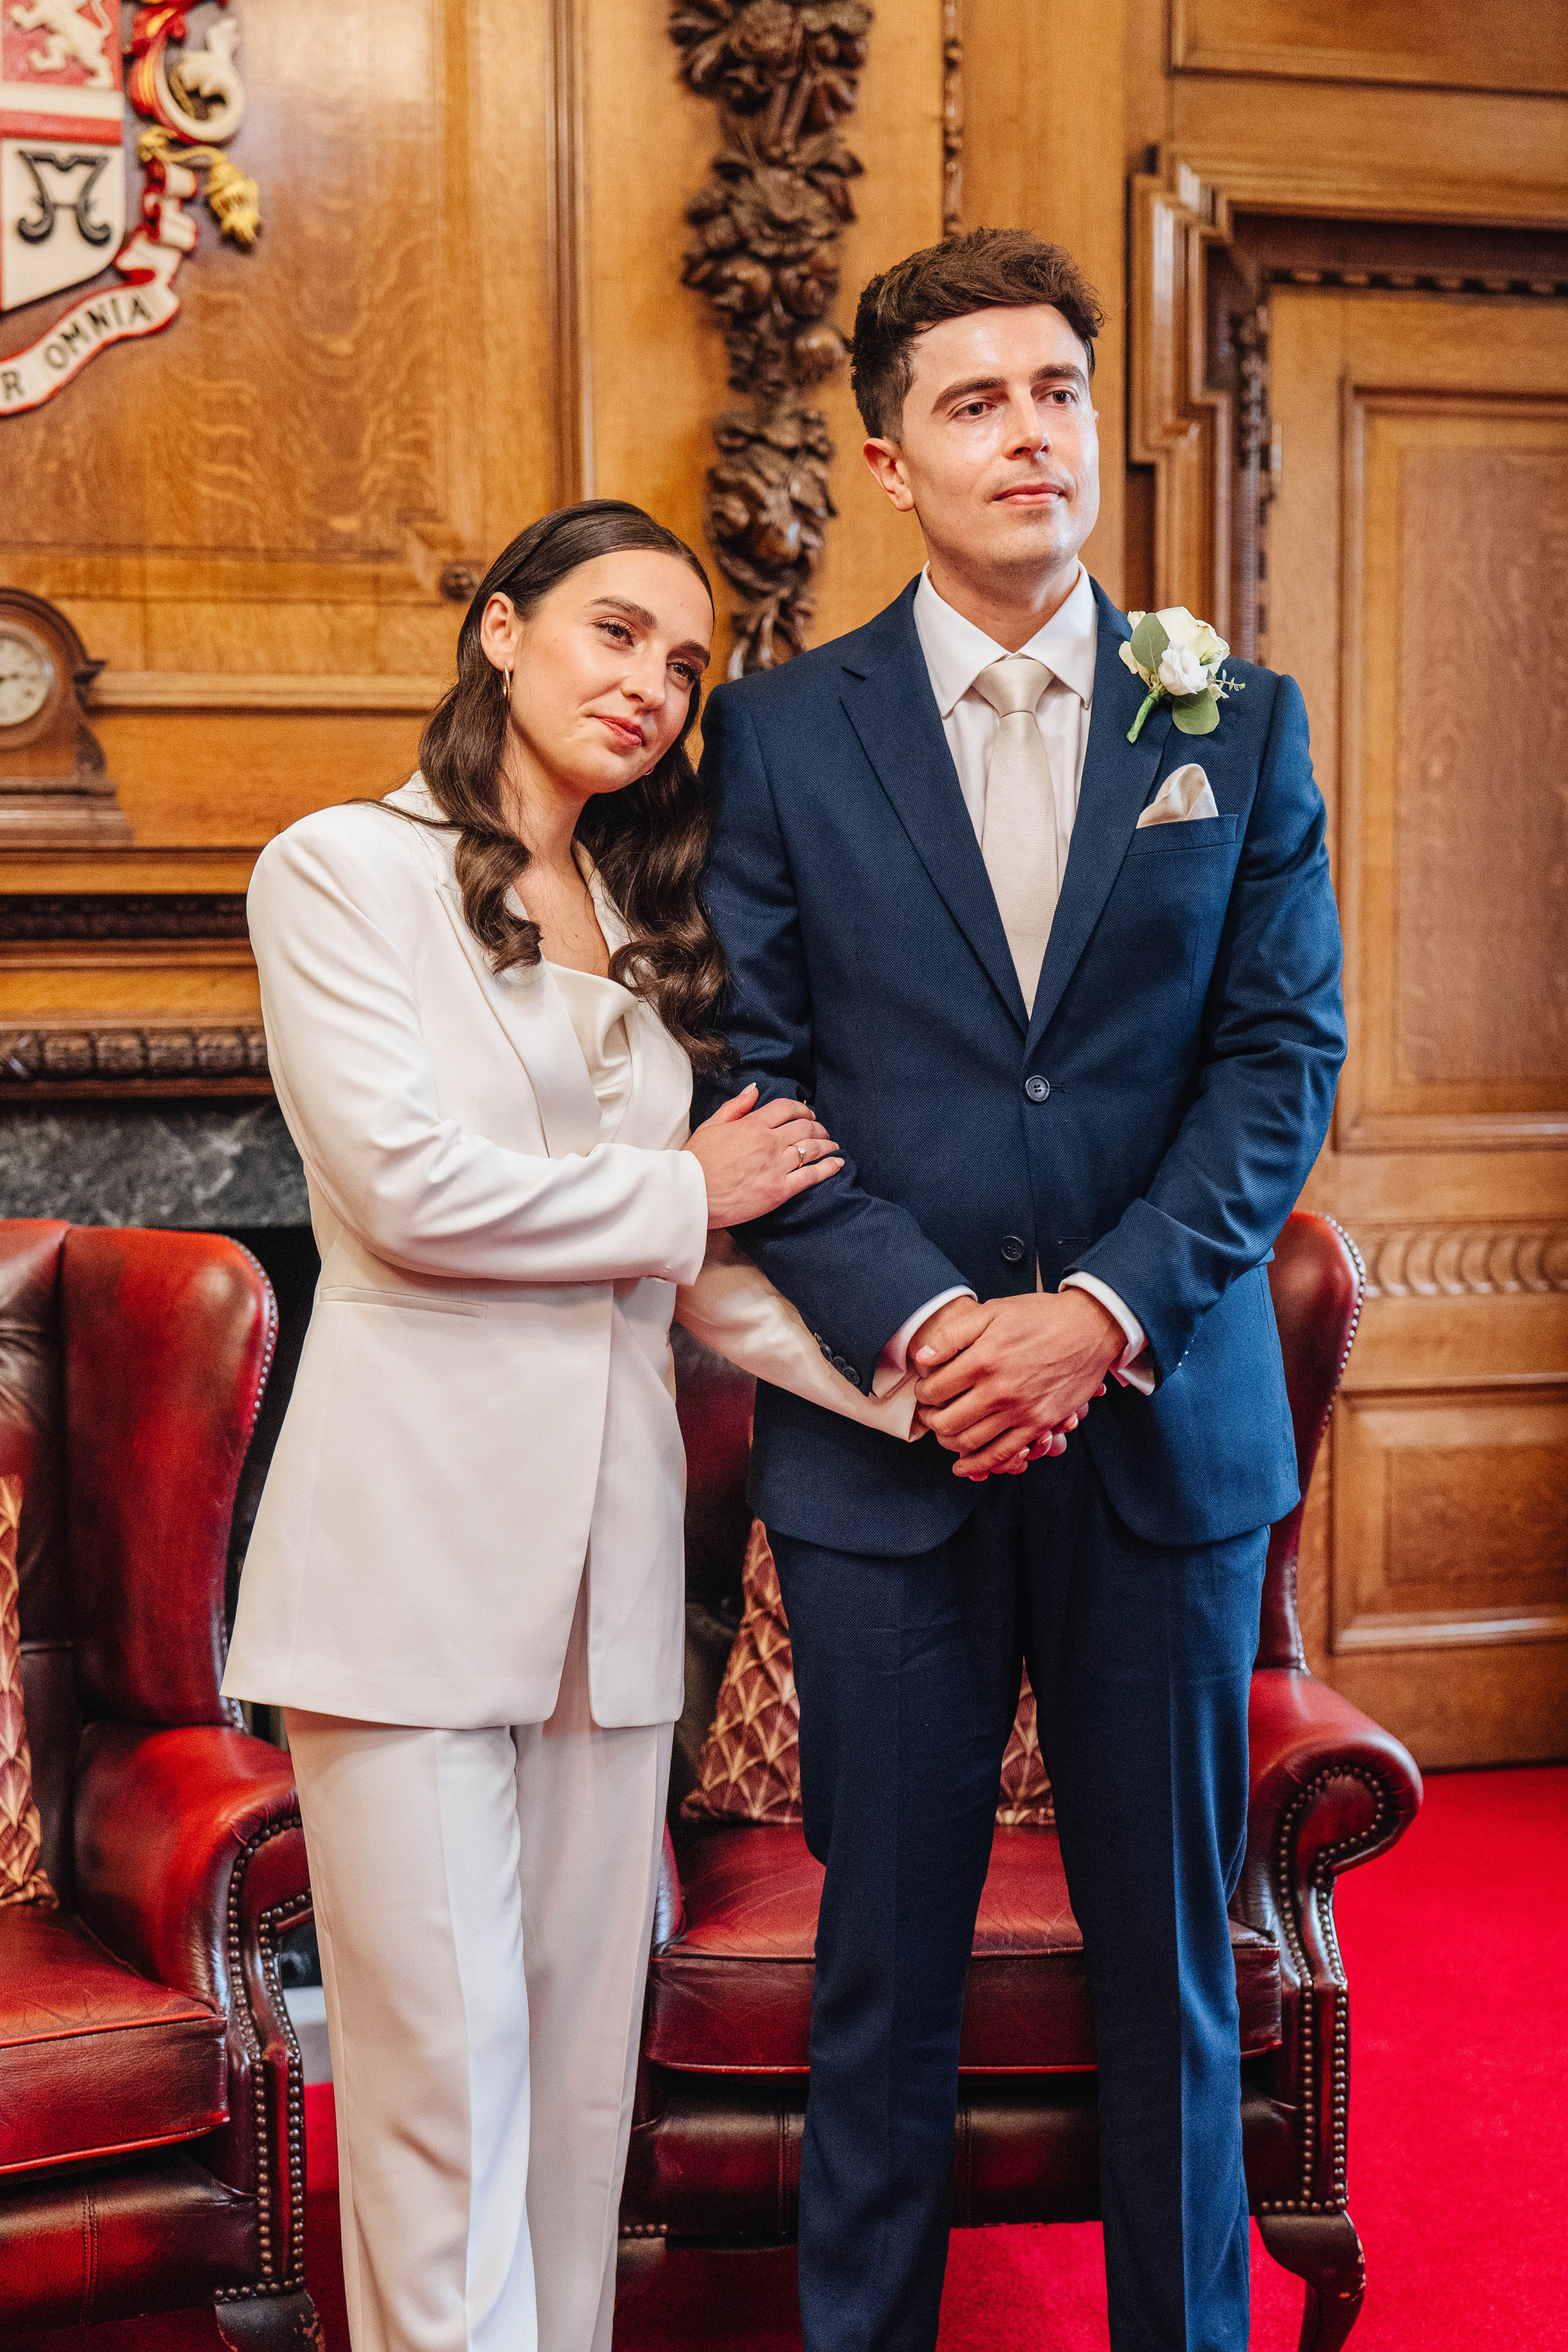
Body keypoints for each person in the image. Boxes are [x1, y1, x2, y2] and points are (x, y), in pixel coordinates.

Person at [695, 230, 1347, 2352]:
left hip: (1163, 1431)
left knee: (1170, 1970)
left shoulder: (1232, 719)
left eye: (1056, 389)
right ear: (890, 460)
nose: (1028, 432)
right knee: (886, 1972)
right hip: (892, 1441)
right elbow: (761, 1078)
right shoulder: (785, 736)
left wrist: (1100, 1318)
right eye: (973, 402)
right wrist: (932, 1330)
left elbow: (1280, 1060)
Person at [221, 500, 916, 2352]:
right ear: (503, 632)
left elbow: (696, 1277)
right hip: (406, 1571)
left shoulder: (645, 920)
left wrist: (927, 1385)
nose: (651, 687)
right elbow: (407, 1193)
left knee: (575, 2116)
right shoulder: (337, 871)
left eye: (684, 666)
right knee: (441, 2100)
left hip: (607, 1599)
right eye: (615, 634)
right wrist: (688, 1188)